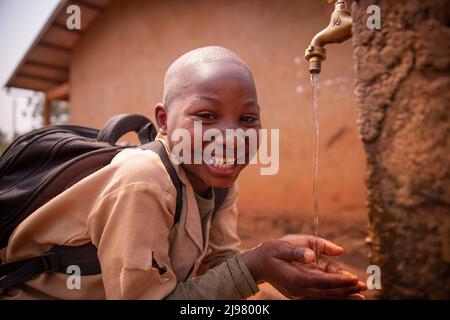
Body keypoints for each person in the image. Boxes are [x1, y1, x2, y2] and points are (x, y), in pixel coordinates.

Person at [1, 46, 366, 299]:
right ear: (163, 120)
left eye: (248, 119)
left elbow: (220, 263)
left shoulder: (217, 180)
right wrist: (256, 267)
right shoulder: (144, 181)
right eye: (206, 116)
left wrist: (280, 267)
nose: (232, 137)